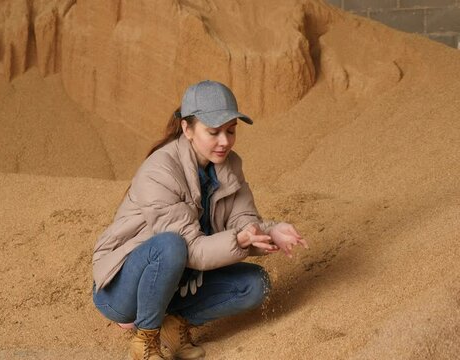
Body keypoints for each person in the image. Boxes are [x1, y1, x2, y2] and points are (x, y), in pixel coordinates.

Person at [92, 80, 308, 359]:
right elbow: (190, 249)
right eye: (214, 132)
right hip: (122, 287)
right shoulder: (159, 170)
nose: (225, 141)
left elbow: (244, 220)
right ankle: (146, 340)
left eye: (231, 131)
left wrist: (270, 232)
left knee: (256, 285)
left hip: (181, 281)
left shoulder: (230, 166)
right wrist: (240, 240)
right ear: (187, 129)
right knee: (171, 245)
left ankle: (173, 325)